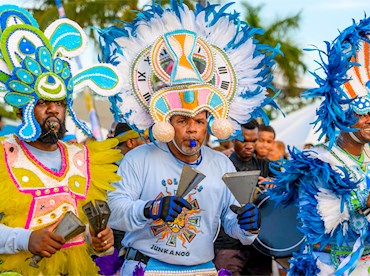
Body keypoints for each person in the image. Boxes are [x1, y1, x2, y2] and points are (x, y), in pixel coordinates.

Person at [99, 1, 279, 274]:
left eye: (199, 121)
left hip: (202, 269)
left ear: (210, 123)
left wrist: (248, 225)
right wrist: (150, 209)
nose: (193, 129)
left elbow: (231, 223)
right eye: (183, 121)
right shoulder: (139, 158)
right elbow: (115, 210)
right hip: (148, 269)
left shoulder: (221, 164)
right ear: (167, 123)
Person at [0, 5, 123, 275]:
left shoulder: (84, 157)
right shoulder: (3, 155)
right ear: (24, 109)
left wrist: (101, 240)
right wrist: (26, 240)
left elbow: (87, 230)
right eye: (43, 102)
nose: (53, 109)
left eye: (59, 102)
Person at [269, 16, 370, 275]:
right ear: (342, 112)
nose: (369, 120)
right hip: (332, 267)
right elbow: (318, 231)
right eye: (363, 111)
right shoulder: (318, 163)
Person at [214, 119, 274, 275]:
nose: (249, 145)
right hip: (227, 244)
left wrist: (275, 182)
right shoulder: (222, 163)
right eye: (244, 140)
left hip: (259, 244)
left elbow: (289, 184)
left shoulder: (265, 165)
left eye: (254, 140)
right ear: (233, 138)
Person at [111, 122, 150, 251]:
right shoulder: (108, 170)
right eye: (146, 139)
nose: (150, 145)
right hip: (115, 241)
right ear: (130, 142)